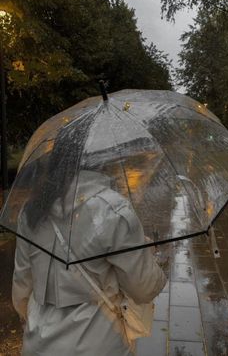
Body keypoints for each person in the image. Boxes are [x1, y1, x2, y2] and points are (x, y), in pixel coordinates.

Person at [12, 126, 166, 356]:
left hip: (39, 342)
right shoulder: (114, 210)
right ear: (104, 158)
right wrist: (148, 254)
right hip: (101, 343)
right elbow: (143, 288)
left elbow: (21, 287)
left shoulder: (32, 210)